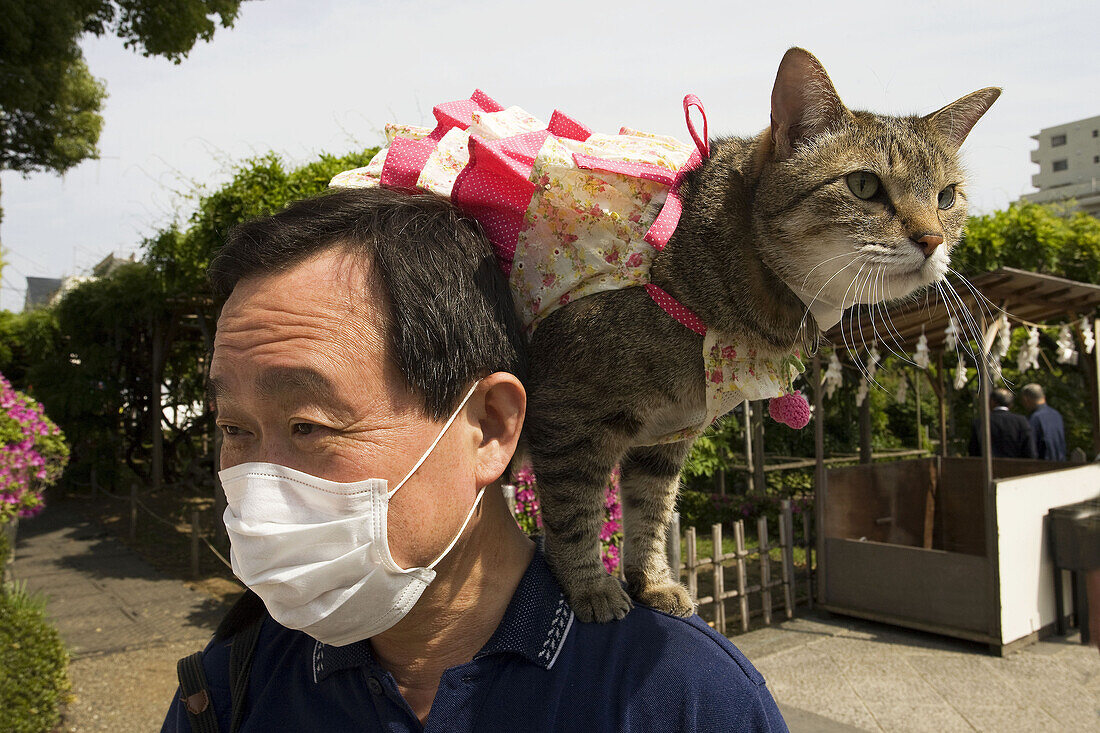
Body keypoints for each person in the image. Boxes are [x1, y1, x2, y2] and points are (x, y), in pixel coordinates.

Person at [161, 187, 787, 732]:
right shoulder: (224, 691)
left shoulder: (684, 699)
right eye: (233, 429)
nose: (259, 485)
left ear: (488, 427)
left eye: (308, 425)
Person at [968, 388, 1036, 459]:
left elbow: (973, 451)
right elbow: (1030, 451)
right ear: (1011, 404)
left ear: (991, 402)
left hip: (988, 467)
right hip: (1016, 467)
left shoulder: (981, 422)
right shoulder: (1021, 421)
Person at [1020, 383, 1067, 461]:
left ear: (1026, 399)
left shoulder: (1035, 418)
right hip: (1060, 462)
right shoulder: (1056, 415)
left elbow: (1031, 446)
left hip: (1044, 464)